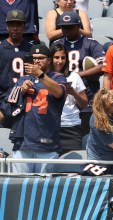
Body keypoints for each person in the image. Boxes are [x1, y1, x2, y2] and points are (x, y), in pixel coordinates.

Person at [0, 44, 67, 174]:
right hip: (23, 143)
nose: (36, 61)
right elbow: (7, 107)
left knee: (44, 189)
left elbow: (58, 92)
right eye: (33, 58)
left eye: (41, 58)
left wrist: (40, 75)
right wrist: (21, 91)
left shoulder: (57, 77)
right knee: (21, 187)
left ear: (49, 60)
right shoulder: (22, 80)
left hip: (47, 144)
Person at [51, 10, 105, 133]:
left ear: (78, 26)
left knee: (86, 136)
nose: (66, 31)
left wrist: (78, 75)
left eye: (70, 27)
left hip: (87, 95)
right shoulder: (57, 44)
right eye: (63, 27)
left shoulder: (90, 43)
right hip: (64, 99)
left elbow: (103, 66)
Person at [50, 42, 89, 153]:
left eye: (63, 57)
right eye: (56, 57)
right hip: (50, 126)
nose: (60, 61)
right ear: (50, 58)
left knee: (72, 165)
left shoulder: (74, 76)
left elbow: (84, 104)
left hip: (71, 126)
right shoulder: (45, 77)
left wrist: (73, 93)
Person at [0, 10, 36, 100]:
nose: (15, 28)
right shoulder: (1, 47)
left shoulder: (32, 48)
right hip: (4, 96)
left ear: (24, 27)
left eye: (19, 25)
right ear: (7, 27)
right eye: (12, 25)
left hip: (26, 96)